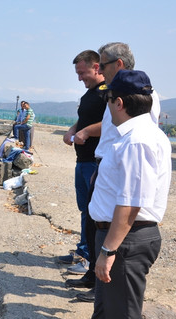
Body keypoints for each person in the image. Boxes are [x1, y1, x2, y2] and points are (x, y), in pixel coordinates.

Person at [83, 70, 171, 319]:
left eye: (108, 101)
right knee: (106, 318)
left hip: (124, 240)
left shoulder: (138, 141)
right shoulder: (139, 136)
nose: (107, 108)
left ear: (118, 103)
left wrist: (108, 249)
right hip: (117, 237)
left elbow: (132, 203)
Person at [58, 50, 106, 287]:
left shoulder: (107, 93)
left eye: (82, 73)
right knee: (83, 208)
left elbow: (110, 123)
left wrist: (85, 132)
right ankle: (83, 251)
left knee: (91, 210)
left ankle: (87, 259)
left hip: (94, 160)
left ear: (97, 67)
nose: (79, 78)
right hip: (82, 159)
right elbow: (84, 119)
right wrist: (73, 129)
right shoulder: (90, 94)